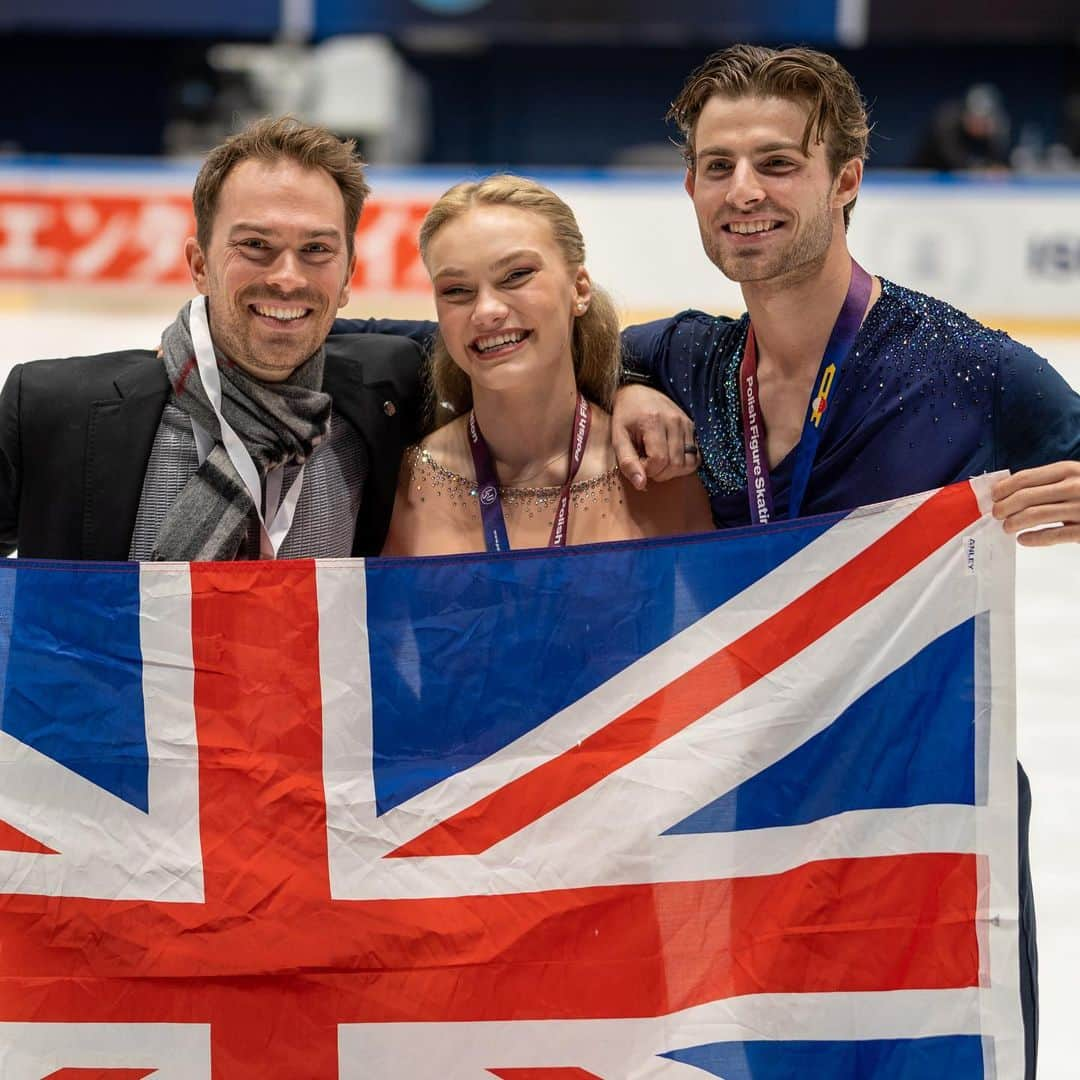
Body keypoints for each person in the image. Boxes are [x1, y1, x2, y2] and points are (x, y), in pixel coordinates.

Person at [605, 44, 1080, 1079]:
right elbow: (532, 345)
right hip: (744, 818)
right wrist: (621, 388)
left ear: (845, 180)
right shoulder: (680, 359)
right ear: (689, 185)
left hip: (928, 825)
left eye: (778, 163)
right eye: (718, 166)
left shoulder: (964, 369)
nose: (745, 192)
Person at [0, 116, 424, 561]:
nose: (287, 277)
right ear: (199, 265)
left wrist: (297, 317)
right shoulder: (50, 409)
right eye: (256, 245)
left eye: (317, 250)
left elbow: (485, 340)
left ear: (348, 277)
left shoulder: (388, 390)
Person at [382, 175, 713, 556]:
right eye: (457, 290)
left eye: (517, 276)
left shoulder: (659, 467)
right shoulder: (404, 485)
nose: (487, 311)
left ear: (580, 290)